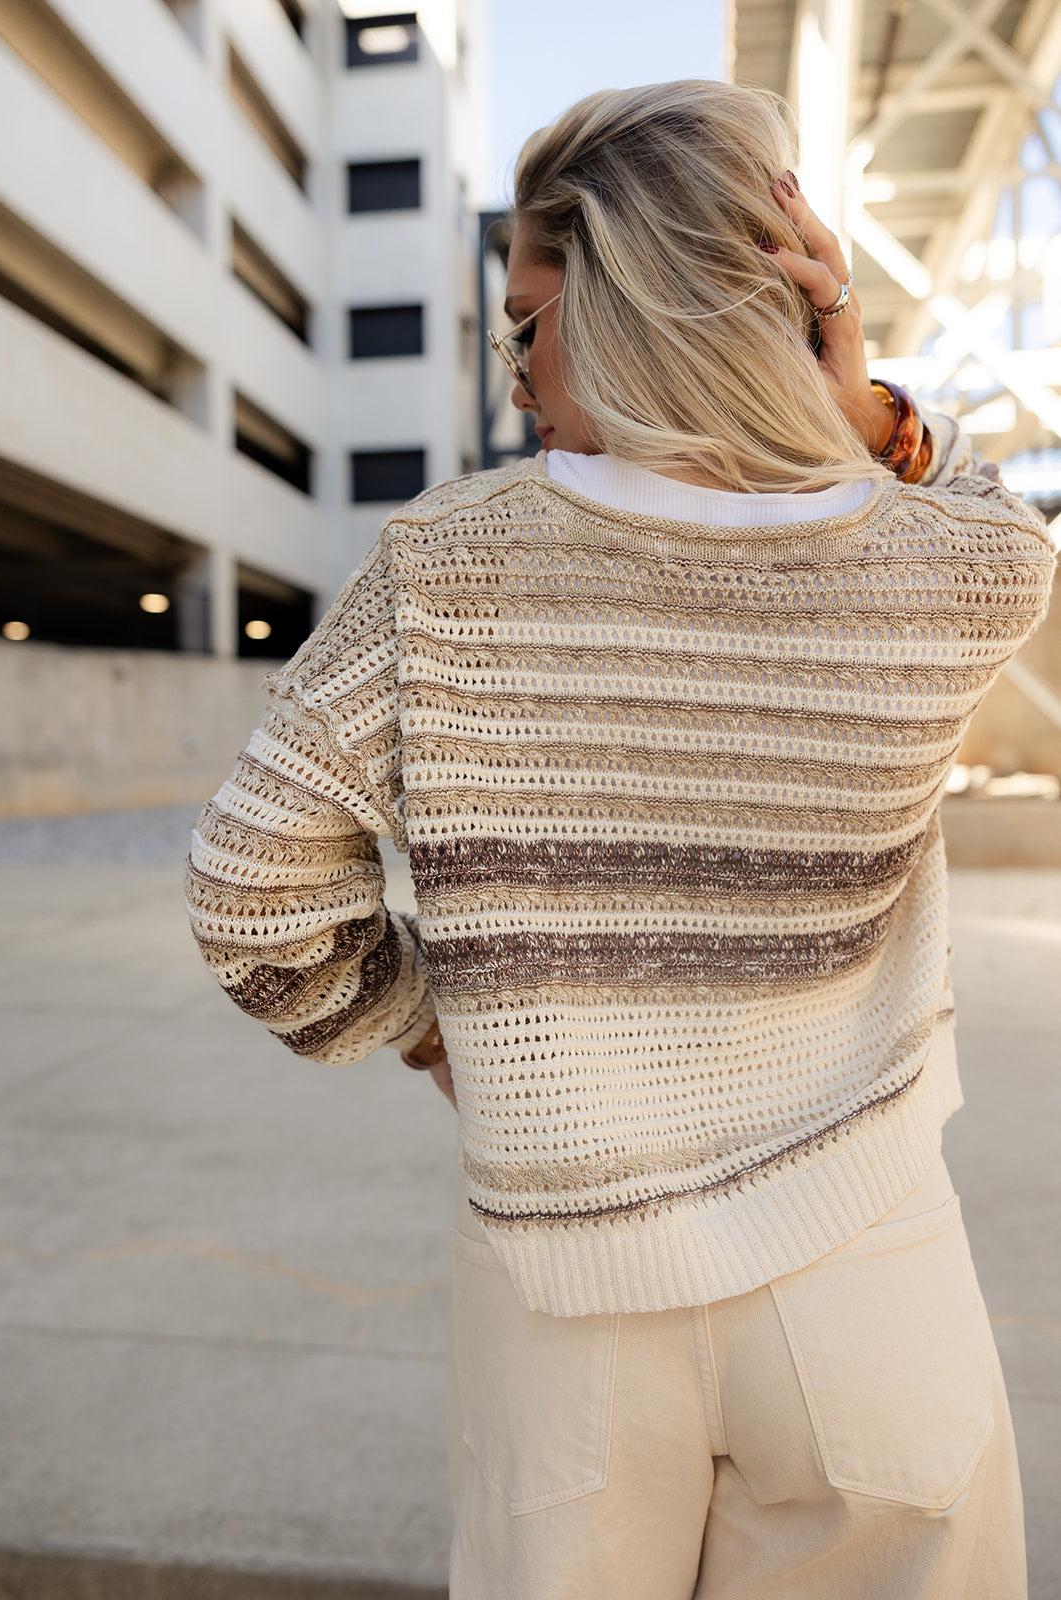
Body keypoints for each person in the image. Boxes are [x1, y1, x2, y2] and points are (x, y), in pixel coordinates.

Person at [185, 80, 1055, 1600]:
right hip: (866, 1262)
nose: (513, 366)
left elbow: (250, 895)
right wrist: (865, 407)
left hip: (564, 1293)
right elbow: (992, 520)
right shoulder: (943, 569)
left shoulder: (443, 568)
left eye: (527, 323)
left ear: (629, 300)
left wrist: (431, 1027)